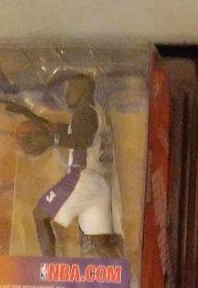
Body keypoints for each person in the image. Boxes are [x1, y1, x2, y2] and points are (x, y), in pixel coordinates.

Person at [7, 72, 123, 257]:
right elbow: (60, 129)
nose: (66, 93)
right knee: (100, 244)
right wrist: (28, 113)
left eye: (70, 89)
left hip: (82, 178)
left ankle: (48, 267)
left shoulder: (85, 112)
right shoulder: (95, 113)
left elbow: (82, 139)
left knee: (40, 215)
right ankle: (125, 275)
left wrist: (51, 141)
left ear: (83, 90)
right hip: (100, 185)